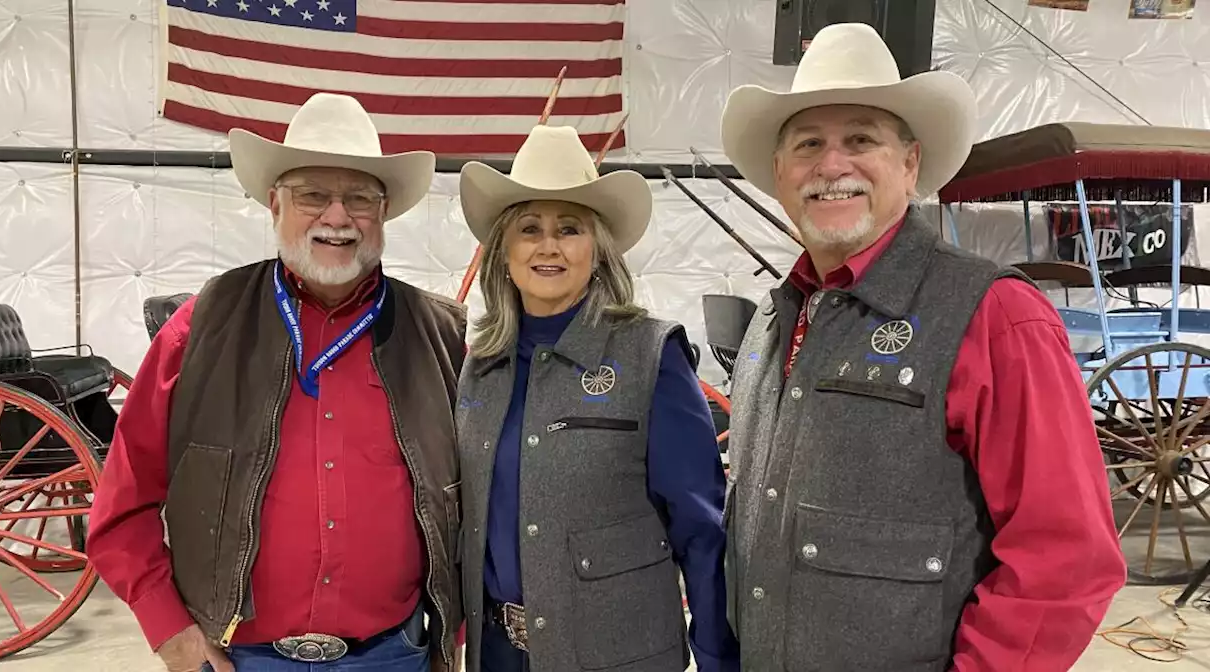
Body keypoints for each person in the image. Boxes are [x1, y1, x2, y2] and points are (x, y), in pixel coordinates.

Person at [717, 23, 1127, 672]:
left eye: (860, 139)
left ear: (909, 163)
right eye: (808, 144)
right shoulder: (771, 323)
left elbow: (1066, 559)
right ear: (780, 171)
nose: (831, 165)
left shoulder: (996, 316)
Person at [85, 93, 468, 672]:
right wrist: (172, 633)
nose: (337, 217)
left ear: (383, 213)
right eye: (313, 194)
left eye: (360, 197)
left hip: (395, 656)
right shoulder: (201, 328)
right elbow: (123, 504)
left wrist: (450, 634)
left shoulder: (440, 336)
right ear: (274, 204)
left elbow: (476, 504)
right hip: (238, 659)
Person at [450, 124, 739, 672]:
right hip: (498, 657)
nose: (549, 245)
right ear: (504, 251)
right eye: (529, 228)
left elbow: (701, 530)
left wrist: (719, 660)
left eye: (570, 228)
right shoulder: (479, 369)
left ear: (598, 250)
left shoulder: (652, 355)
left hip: (621, 658)